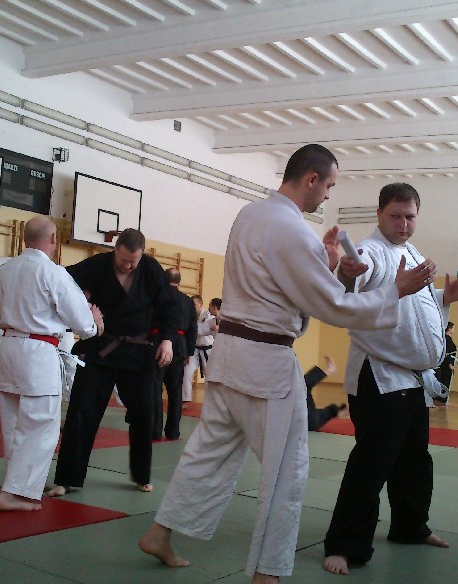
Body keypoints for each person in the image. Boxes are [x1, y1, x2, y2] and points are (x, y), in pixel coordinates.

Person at [139, 144, 437, 584]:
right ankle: (269, 572)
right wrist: (396, 289)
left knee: (208, 452)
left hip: (228, 355)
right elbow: (334, 305)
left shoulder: (251, 214)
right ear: (312, 179)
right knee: (286, 471)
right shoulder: (292, 229)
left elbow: (283, 286)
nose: (328, 195)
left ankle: (160, 533)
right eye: (329, 185)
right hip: (265, 364)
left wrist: (326, 264)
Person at [323, 182, 458, 576]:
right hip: (380, 376)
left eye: (409, 217)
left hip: (413, 381)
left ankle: (410, 527)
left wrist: (445, 297)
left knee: (414, 461)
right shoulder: (369, 252)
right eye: (395, 216)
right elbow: (355, 284)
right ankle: (345, 545)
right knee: (372, 463)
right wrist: (348, 273)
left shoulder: (413, 253)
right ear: (379, 214)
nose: (403, 224)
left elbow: (415, 307)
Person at [47, 228, 178, 497]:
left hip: (139, 352)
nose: (128, 266)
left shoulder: (151, 269)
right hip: (101, 349)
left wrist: (167, 339)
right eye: (124, 260)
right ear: (115, 250)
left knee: (144, 413)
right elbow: (63, 280)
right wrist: (82, 300)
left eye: (134, 261)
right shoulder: (97, 265)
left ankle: (141, 474)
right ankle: (67, 478)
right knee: (82, 411)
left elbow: (168, 306)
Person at [0, 216, 102, 511]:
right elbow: (82, 323)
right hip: (37, 351)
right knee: (40, 425)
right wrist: (95, 323)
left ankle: (17, 483)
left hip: (9, 346)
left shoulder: (6, 270)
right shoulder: (53, 273)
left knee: (13, 423)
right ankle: (15, 493)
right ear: (53, 238)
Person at [152, 267, 197, 440]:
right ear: (179, 281)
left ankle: (155, 430)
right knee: (175, 391)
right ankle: (173, 431)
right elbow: (193, 328)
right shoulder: (188, 301)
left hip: (158, 342)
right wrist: (188, 352)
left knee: (155, 389)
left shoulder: (158, 296)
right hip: (180, 347)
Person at [182, 294, 217, 402]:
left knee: (209, 377)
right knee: (186, 371)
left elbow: (204, 330)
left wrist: (192, 329)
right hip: (195, 350)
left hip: (208, 350)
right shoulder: (189, 316)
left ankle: (209, 401)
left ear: (201, 304)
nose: (192, 307)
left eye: (195, 305)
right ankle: (186, 399)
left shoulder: (209, 316)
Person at [305, 356, 346, 432]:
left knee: (302, 385)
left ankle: (336, 411)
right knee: (303, 385)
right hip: (307, 421)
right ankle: (336, 411)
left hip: (306, 420)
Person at [435, 322, 457, 406]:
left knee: (445, 381)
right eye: (453, 328)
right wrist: (450, 364)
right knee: (445, 381)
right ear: (450, 329)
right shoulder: (446, 339)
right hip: (446, 364)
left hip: (448, 363)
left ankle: (443, 399)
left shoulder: (448, 339)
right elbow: (446, 353)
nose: (454, 330)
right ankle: (443, 400)